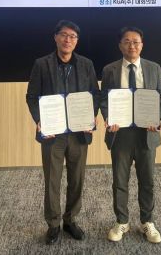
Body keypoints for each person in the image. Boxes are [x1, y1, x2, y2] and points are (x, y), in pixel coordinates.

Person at [26, 20, 100, 245]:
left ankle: (70, 220)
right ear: (56, 37)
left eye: (73, 36)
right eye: (64, 35)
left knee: (77, 179)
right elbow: (32, 96)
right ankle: (53, 224)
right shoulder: (42, 64)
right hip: (53, 134)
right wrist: (39, 120)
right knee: (52, 180)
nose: (68, 40)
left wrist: (91, 116)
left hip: (79, 133)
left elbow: (94, 94)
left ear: (77, 41)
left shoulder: (86, 64)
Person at [100, 26, 161, 244]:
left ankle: (147, 221)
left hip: (146, 134)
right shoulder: (109, 70)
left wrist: (158, 118)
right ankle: (122, 221)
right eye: (127, 41)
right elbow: (104, 99)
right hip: (120, 134)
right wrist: (108, 118)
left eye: (136, 41)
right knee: (119, 181)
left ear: (142, 45)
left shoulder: (154, 68)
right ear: (120, 45)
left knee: (147, 180)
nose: (132, 45)